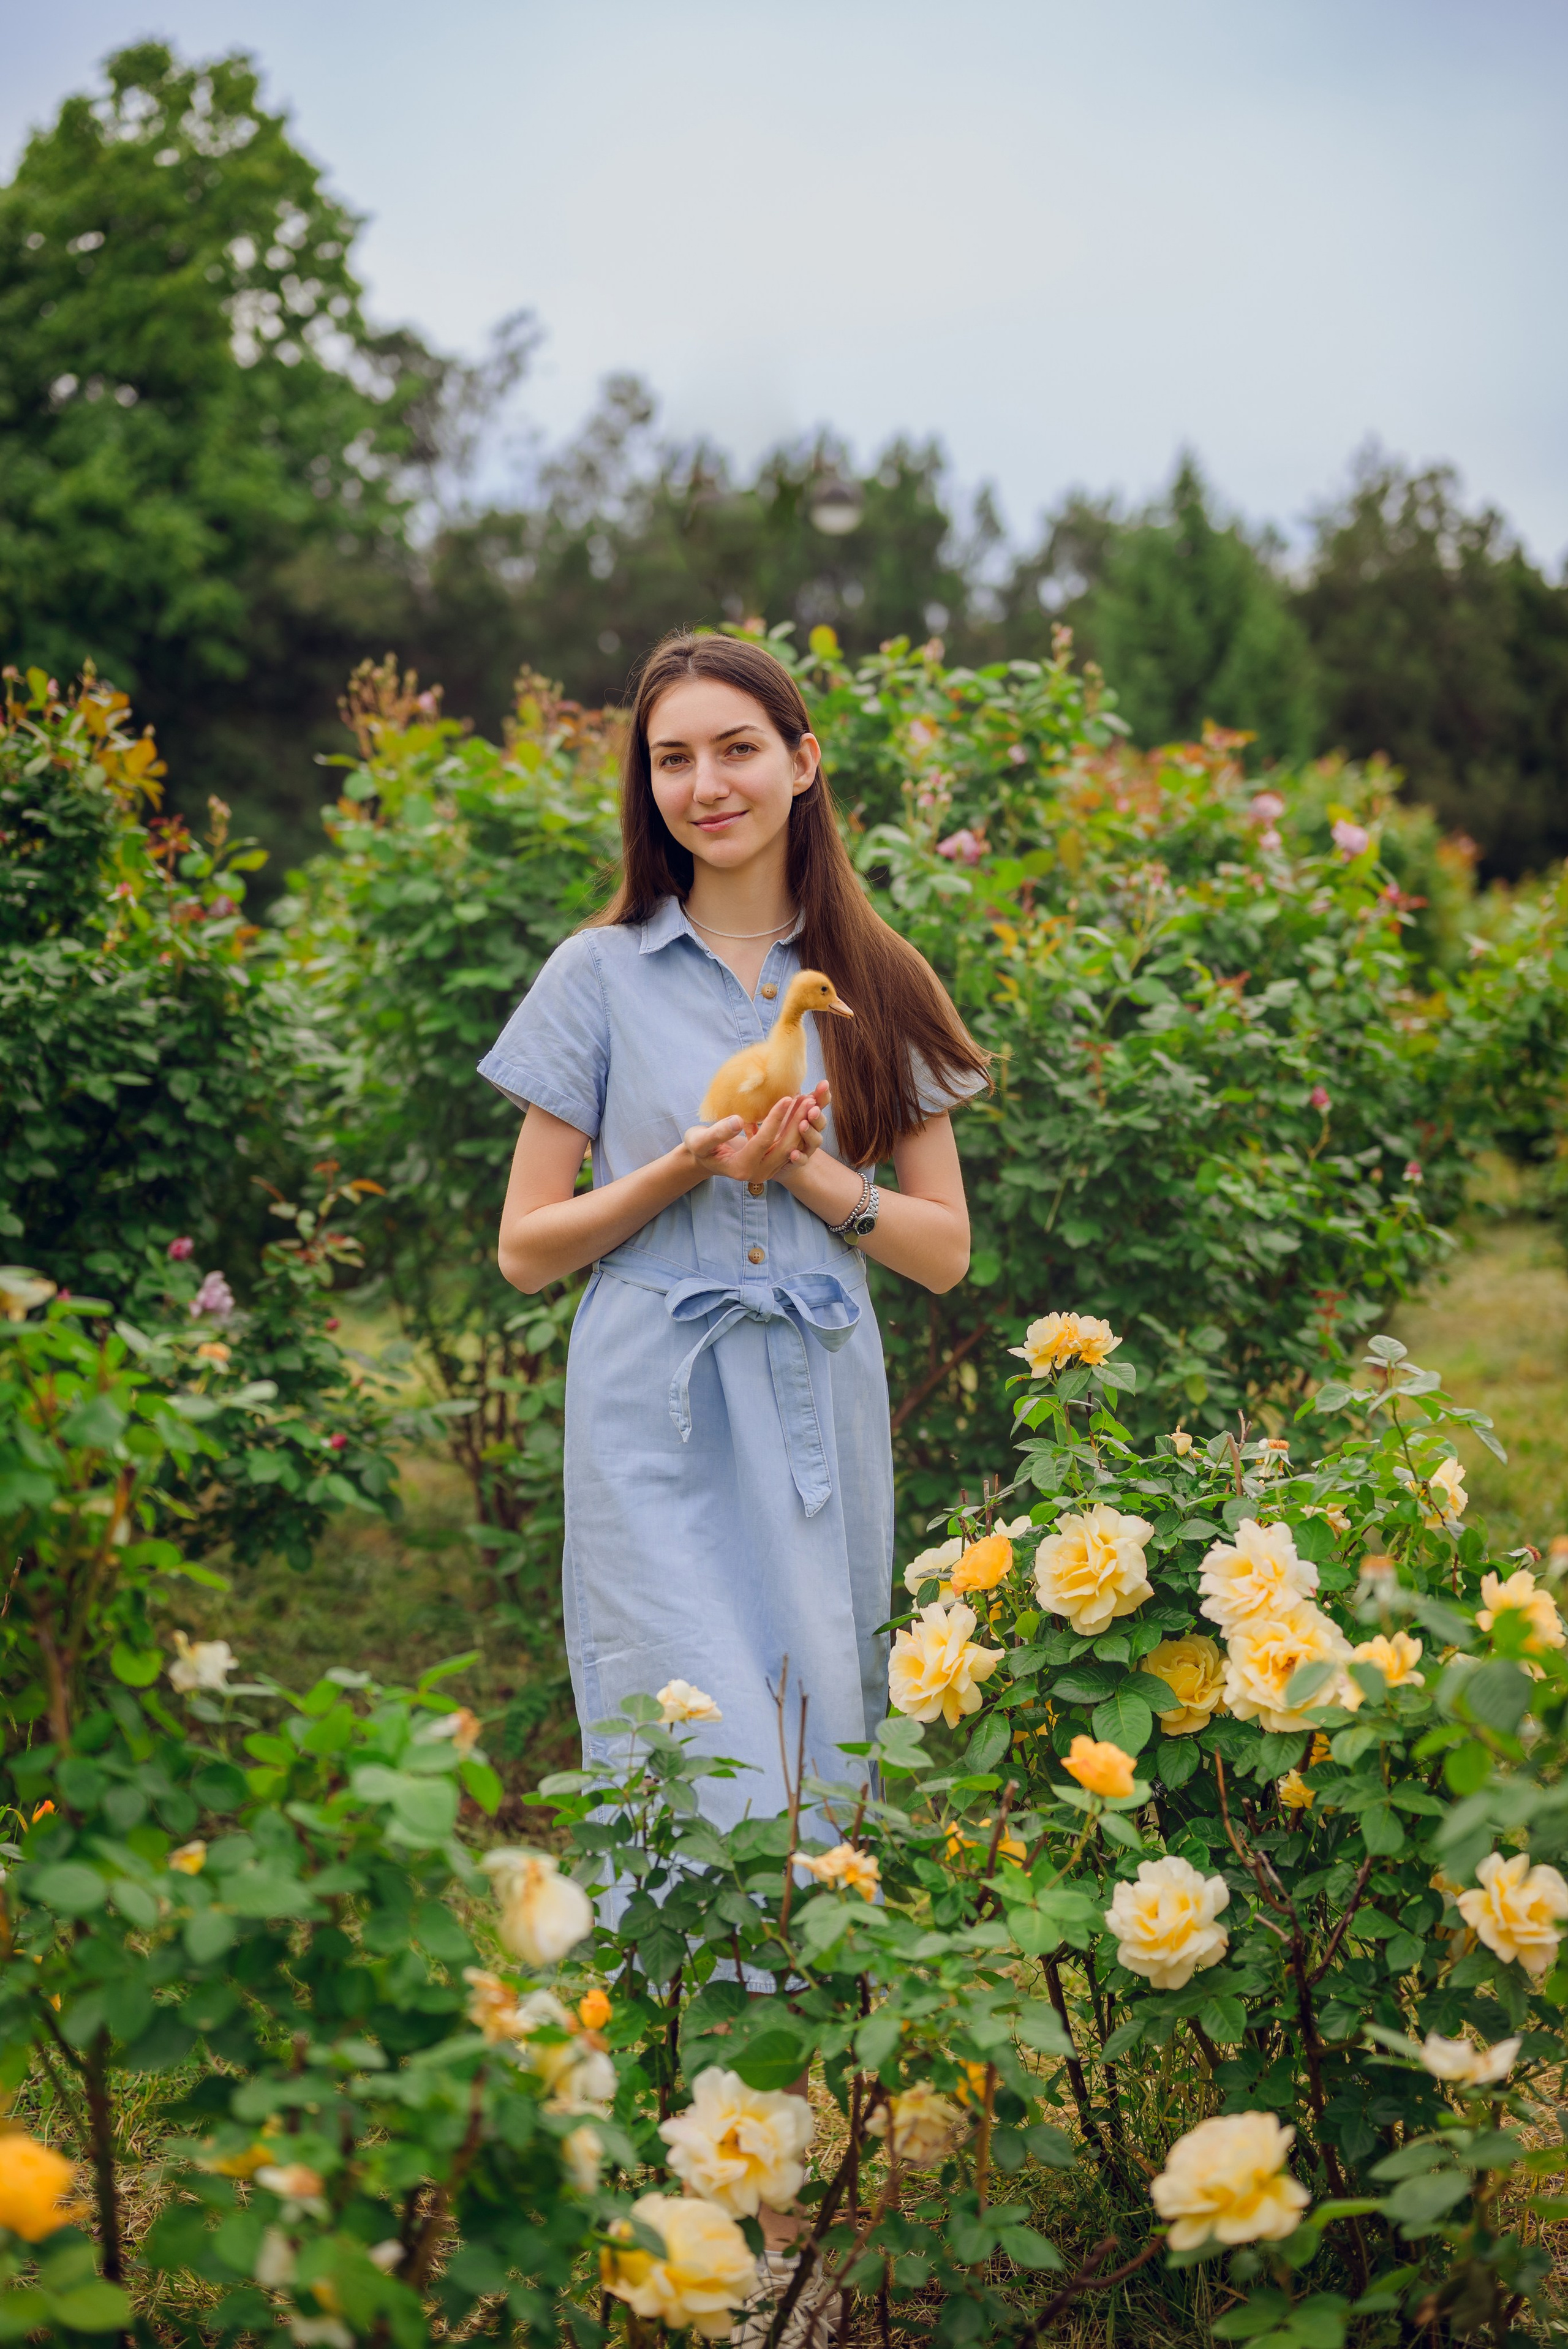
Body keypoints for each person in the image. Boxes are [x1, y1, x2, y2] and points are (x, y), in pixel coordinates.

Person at [481, 630, 988, 1833]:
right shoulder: (595, 976)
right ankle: (682, 2013)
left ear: (802, 762)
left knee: (820, 1718)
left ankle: (810, 2000)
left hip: (817, 1384)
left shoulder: (879, 977)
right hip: (651, 1396)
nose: (705, 785)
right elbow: (525, 1246)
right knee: (683, 1721)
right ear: (646, 787)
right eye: (671, 759)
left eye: (736, 749)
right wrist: (678, 1169)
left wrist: (812, 1176)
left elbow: (942, 1250)